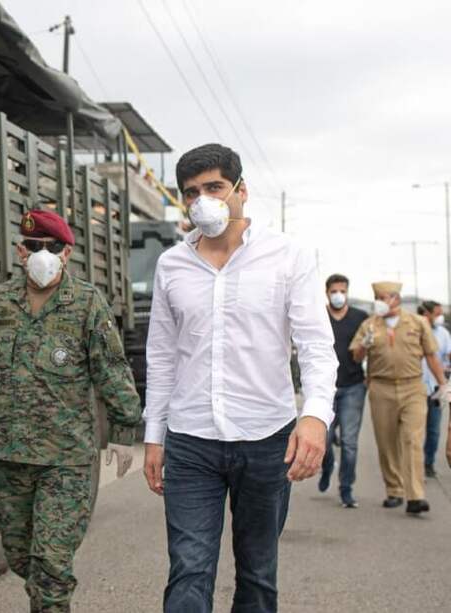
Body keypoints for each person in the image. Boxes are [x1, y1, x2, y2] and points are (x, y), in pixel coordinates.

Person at [143, 143, 337, 612]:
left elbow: (315, 345)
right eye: (191, 193)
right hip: (191, 440)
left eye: (214, 187)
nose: (202, 201)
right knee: (188, 569)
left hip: (266, 439)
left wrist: (314, 417)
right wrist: (154, 435)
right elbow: (162, 355)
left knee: (257, 573)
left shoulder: (287, 256)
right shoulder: (172, 265)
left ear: (241, 190)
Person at [0, 209, 142, 613]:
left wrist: (122, 431)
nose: (42, 253)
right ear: (20, 251)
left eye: (52, 246)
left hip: (65, 461)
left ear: (67, 254)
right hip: (9, 456)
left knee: (50, 566)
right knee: (20, 557)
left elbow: (112, 369)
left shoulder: (87, 303)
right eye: (33, 245)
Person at [349, 282, 449, 514]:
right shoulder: (369, 325)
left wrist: (444, 385)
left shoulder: (417, 322)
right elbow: (356, 357)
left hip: (413, 387)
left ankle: (415, 496)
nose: (380, 302)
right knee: (387, 442)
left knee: (413, 440)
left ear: (396, 298)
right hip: (381, 388)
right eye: (377, 297)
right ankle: (394, 490)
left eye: (384, 297)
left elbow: (431, 356)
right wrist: (364, 345)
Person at [319, 273, 368, 507]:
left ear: (347, 292)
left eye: (342, 291)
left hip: (353, 386)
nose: (338, 295)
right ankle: (327, 465)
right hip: (325, 388)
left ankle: (346, 488)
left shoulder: (360, 317)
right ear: (327, 293)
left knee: (349, 442)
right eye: (334, 291)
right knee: (324, 439)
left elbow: (369, 348)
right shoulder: (319, 316)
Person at [418, 300, 451, 477]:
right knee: (414, 431)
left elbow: (448, 355)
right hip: (415, 389)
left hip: (436, 389)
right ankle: (413, 465)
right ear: (426, 314)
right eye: (437, 314)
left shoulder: (443, 333)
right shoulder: (413, 331)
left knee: (434, 430)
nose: (440, 317)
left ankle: (428, 463)